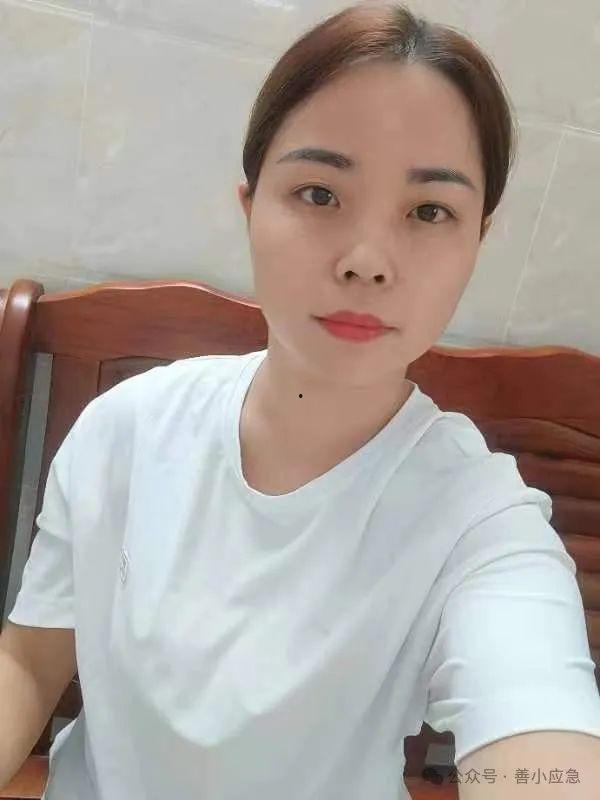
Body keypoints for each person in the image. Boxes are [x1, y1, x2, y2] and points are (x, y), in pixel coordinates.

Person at [5, 2, 600, 799]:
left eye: (430, 211)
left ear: (477, 243)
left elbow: (541, 734)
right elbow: (29, 660)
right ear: (250, 207)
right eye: (320, 193)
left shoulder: (479, 521)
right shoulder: (127, 429)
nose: (367, 260)